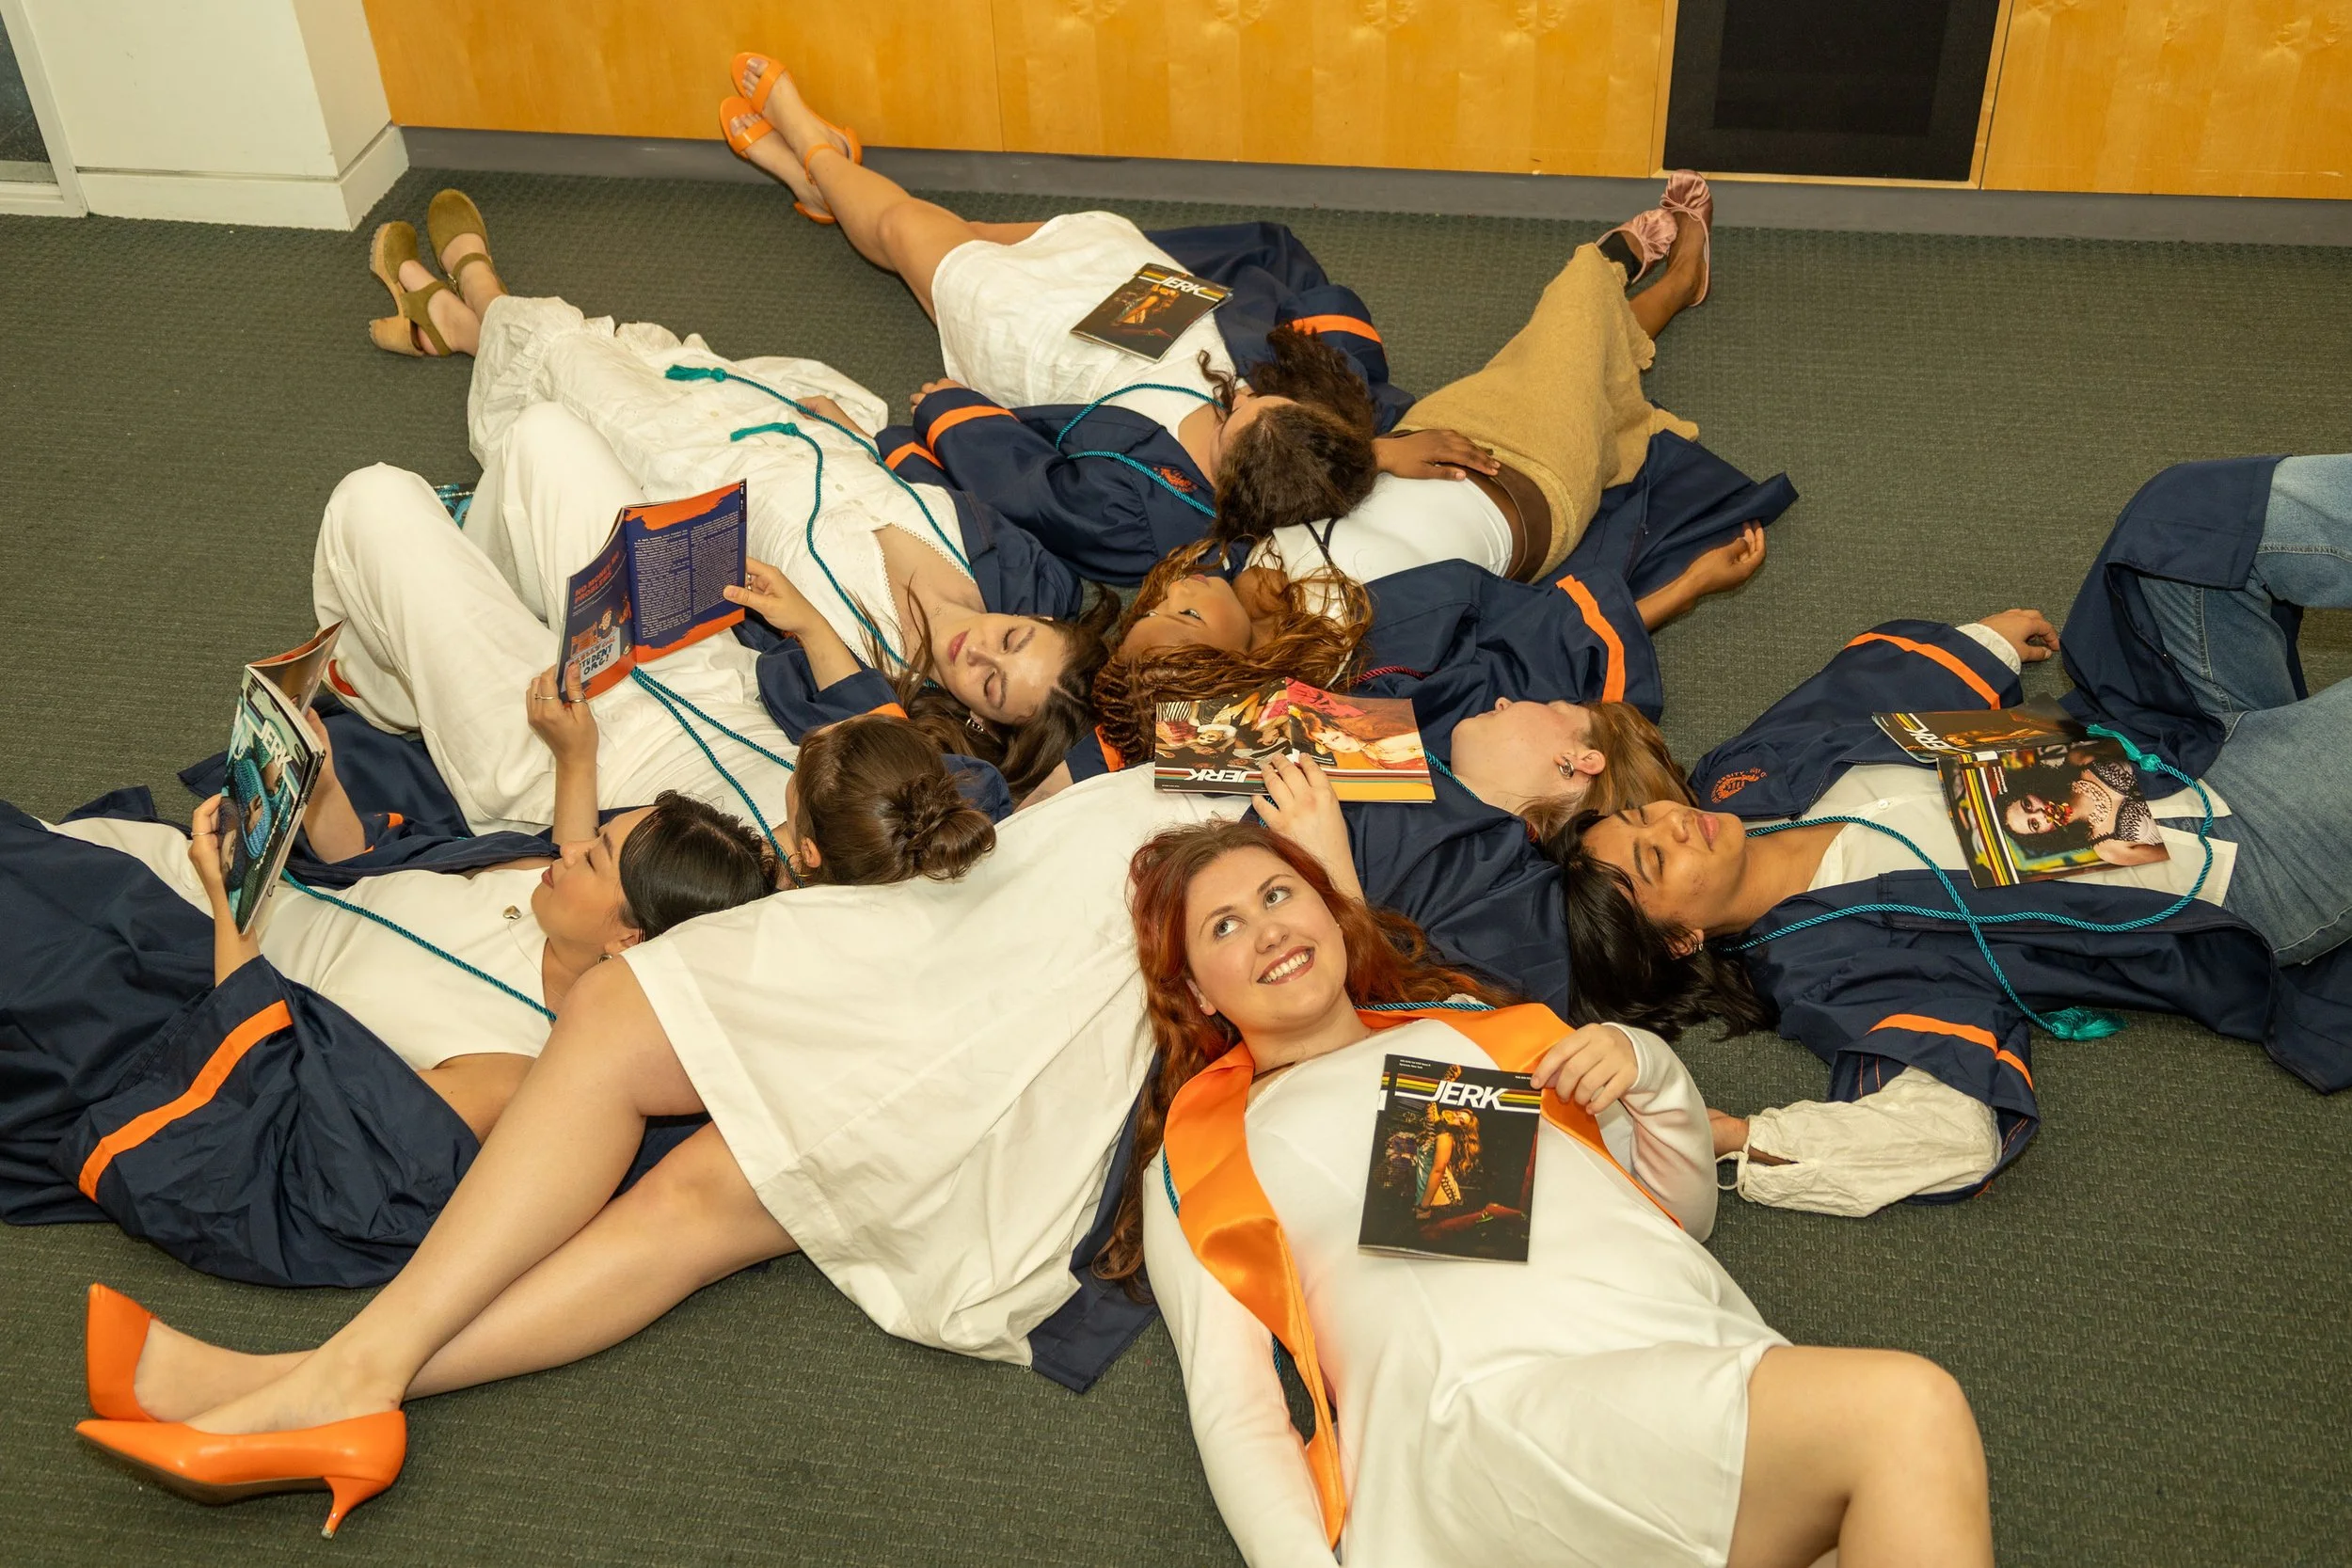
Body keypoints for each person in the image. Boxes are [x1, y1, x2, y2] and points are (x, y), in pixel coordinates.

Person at [1122, 817, 1994, 1567]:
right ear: (1196, 990)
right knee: (1905, 1416)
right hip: (1492, 1424)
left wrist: (1648, 1068)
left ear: (1327, 907)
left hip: (1677, 1353)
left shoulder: (1463, 1029)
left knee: (1893, 1504)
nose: (1268, 930)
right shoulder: (1206, 1151)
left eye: (1278, 894)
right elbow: (1237, 1408)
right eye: (1225, 926)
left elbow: (1677, 1218)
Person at [1552, 454, 2352, 1217]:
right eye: (1656, 858)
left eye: (1642, 815)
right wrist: (1742, 1136)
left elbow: (1850, 694)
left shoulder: (1743, 779)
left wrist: (1984, 643)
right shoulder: (1828, 963)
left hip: (2161, 736)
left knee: (2188, 517)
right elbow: (1950, 1134)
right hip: (2242, 855)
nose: (1672, 821)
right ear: (1684, 939)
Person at [720, 52, 1793, 591]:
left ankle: (816, 157)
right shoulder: (1303, 446)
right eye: (1262, 399)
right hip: (1143, 312)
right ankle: (840, 192)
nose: (1240, 395)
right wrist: (1377, 443)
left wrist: (946, 412)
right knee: (1032, 234)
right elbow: (1306, 388)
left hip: (1049, 349)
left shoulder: (1152, 510)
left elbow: (1028, 485)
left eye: (1238, 413)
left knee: (919, 240)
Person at [1, 673, 771, 1287]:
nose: (567, 849)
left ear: (628, 938)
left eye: (593, 857)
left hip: (186, 977)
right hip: (201, 876)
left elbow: (290, 1113)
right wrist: (322, 785)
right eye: (593, 834)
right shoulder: (535, 878)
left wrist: (230, 910)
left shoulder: (511, 1069)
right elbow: (364, 869)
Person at [365, 189, 1115, 797]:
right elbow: (936, 482)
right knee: (637, 357)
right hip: (789, 432)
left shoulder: (877, 673)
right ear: (1039, 620)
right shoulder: (1026, 574)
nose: (979, 651)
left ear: (982, 718)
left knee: (573, 369)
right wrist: (869, 445)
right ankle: (464, 324)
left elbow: (761, 671)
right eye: (1013, 641)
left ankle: (473, 301)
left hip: (688, 475)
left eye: (990, 687)